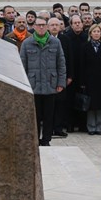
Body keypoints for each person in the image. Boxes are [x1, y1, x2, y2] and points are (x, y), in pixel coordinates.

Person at [20, 16, 66, 147]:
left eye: (43, 25)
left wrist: (60, 83)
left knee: (48, 116)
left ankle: (46, 140)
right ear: (33, 26)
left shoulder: (55, 43)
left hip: (50, 85)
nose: (41, 27)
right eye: (38, 25)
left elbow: (61, 64)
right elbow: (22, 65)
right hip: (33, 85)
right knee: (35, 116)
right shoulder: (27, 43)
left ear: (47, 27)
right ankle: (35, 140)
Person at [79, 24, 101, 135]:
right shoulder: (85, 46)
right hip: (89, 80)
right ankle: (91, 127)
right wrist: (82, 82)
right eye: (94, 31)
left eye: (98, 31)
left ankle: (99, 126)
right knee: (91, 105)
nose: (96, 33)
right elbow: (82, 65)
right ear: (90, 33)